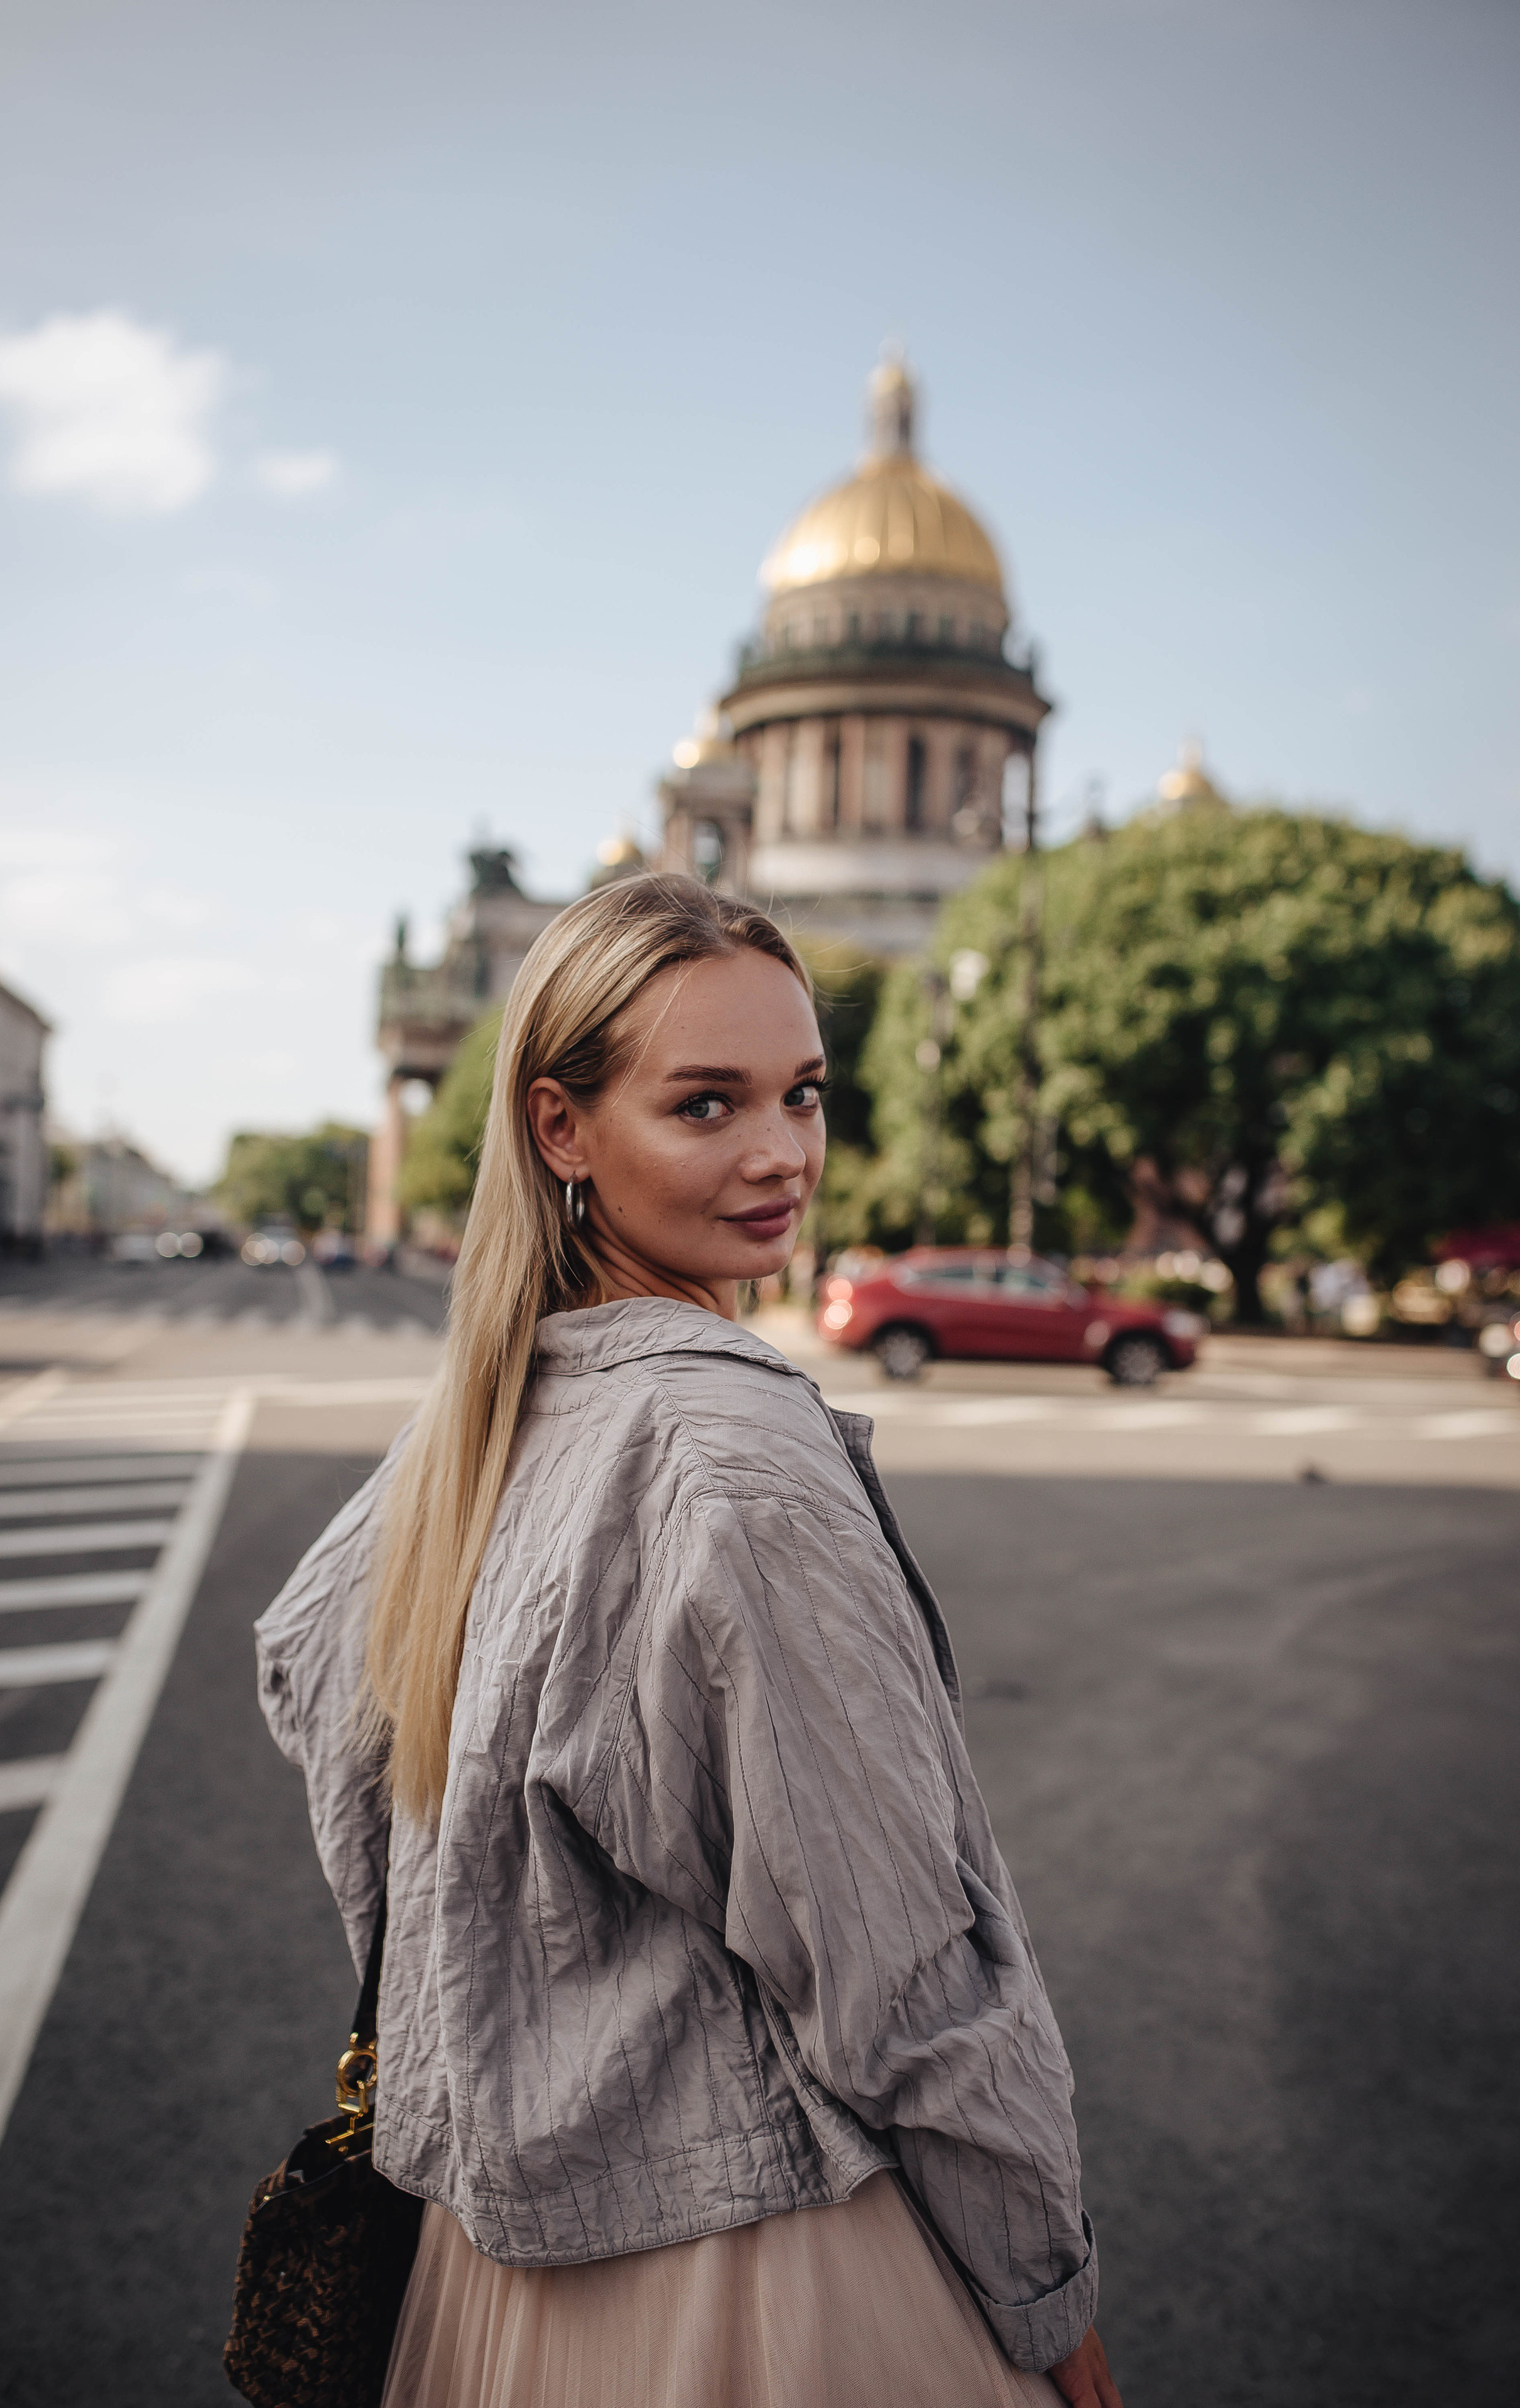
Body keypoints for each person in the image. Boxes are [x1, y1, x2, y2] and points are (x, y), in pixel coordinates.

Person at [256, 874, 1122, 2408]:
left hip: (490, 2288)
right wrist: (1054, 2314)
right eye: (705, 1104)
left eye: (802, 1094)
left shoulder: (478, 1421)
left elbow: (316, 1684)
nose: (781, 1153)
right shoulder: (732, 1457)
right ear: (559, 1128)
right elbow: (901, 1979)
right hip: (763, 2292)